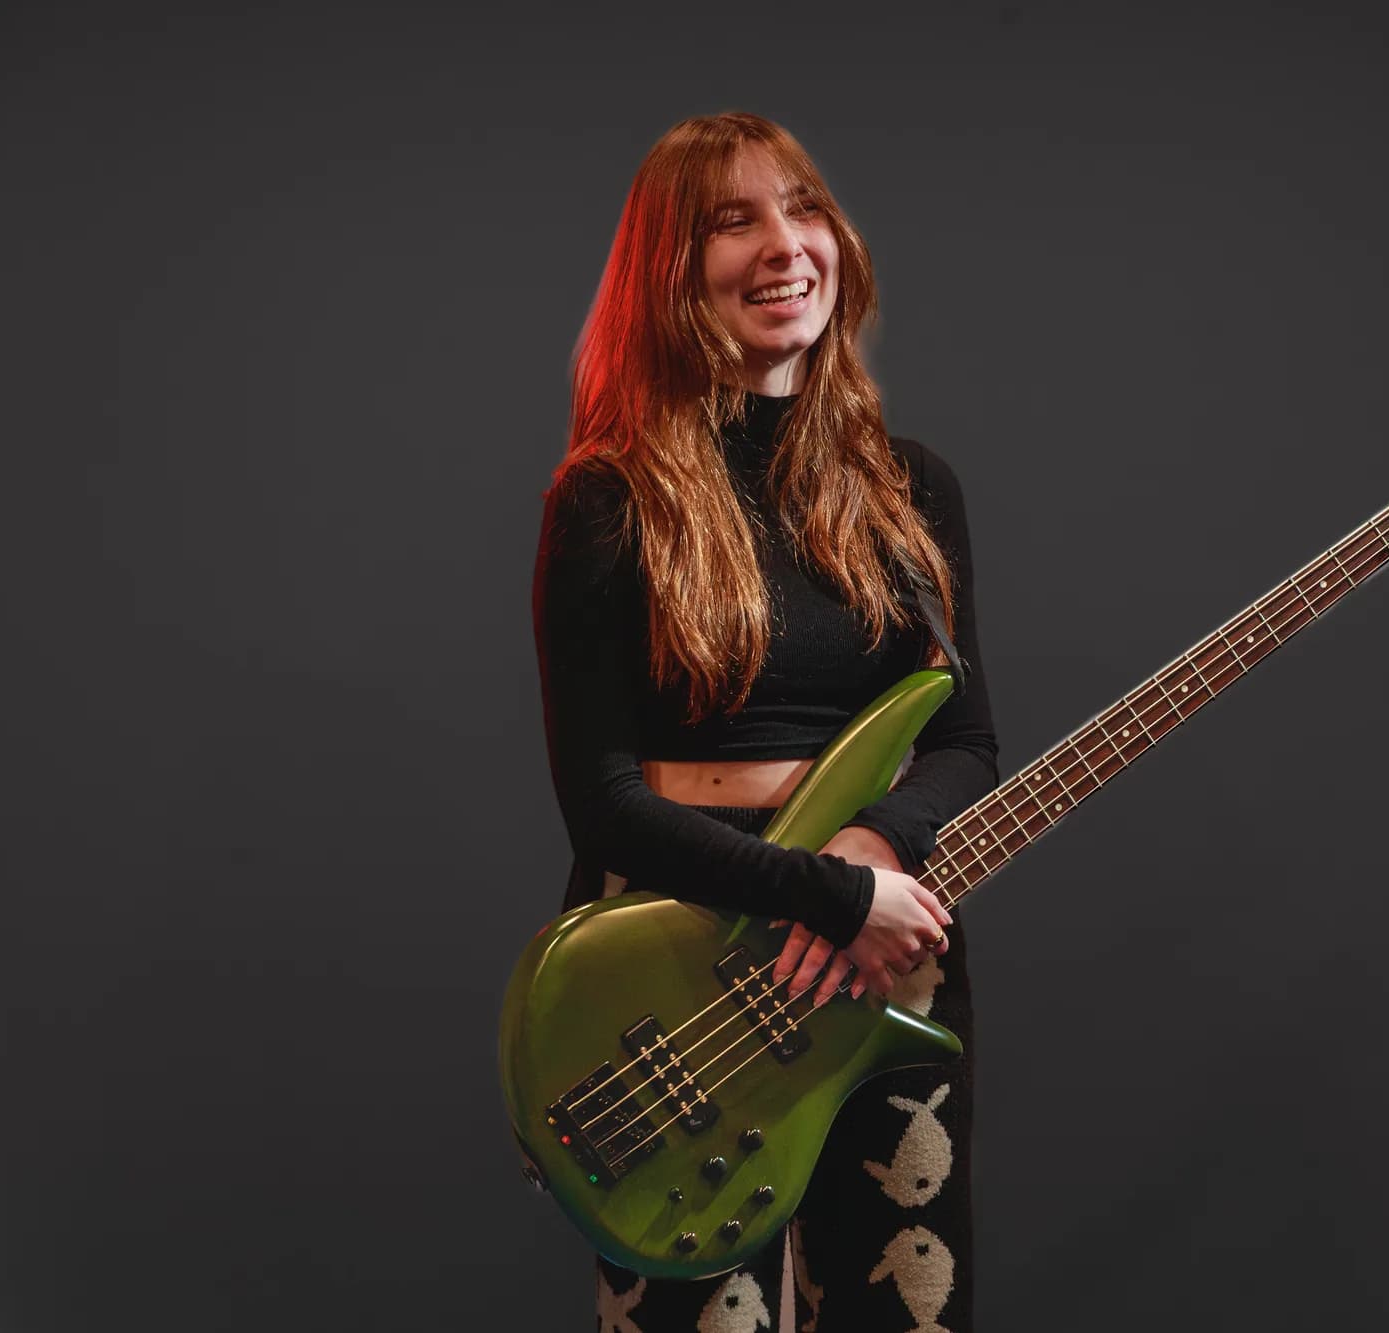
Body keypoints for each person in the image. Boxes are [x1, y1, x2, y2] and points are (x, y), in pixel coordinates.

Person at [530, 111, 999, 1331]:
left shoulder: (910, 486)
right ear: (668, 276)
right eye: (731, 221)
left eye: (802, 208)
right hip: (677, 978)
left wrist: (880, 851)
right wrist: (823, 895)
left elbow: (965, 740)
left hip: (886, 960)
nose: (785, 245)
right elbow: (603, 798)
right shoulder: (608, 498)